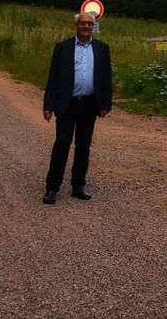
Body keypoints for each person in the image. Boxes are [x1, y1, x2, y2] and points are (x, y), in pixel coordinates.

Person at [42, 11, 112, 205]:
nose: (86, 27)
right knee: (62, 144)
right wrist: (48, 105)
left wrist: (106, 104)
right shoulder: (63, 48)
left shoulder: (102, 49)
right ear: (76, 26)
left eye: (90, 24)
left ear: (94, 27)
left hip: (89, 104)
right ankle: (52, 187)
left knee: (83, 146)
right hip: (67, 103)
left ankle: (78, 185)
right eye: (83, 24)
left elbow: (106, 78)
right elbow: (53, 77)